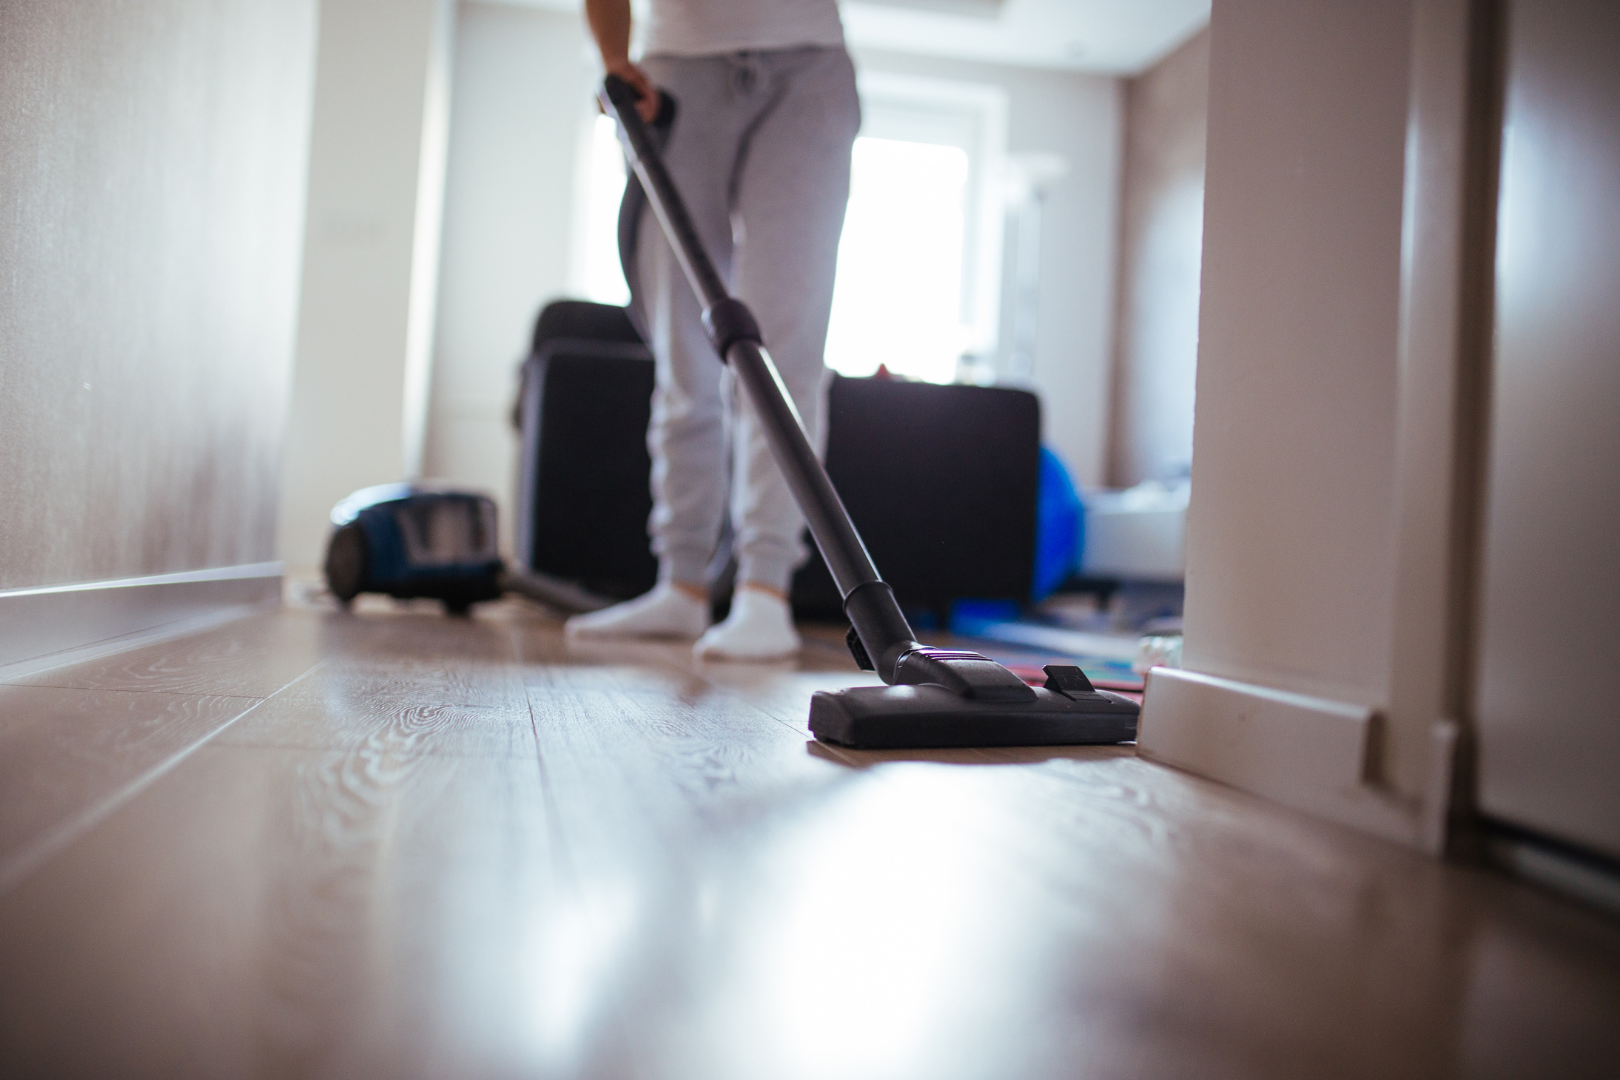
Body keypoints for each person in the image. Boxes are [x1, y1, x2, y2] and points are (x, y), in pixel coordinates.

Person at [565, 0, 860, 660]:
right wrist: (615, 60)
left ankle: (764, 591)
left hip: (809, 63)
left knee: (785, 356)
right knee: (684, 348)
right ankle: (682, 585)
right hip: (673, 73)